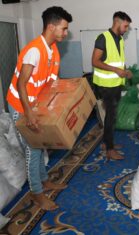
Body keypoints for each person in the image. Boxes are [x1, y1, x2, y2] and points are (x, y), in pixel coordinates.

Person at [6, 6, 72, 211]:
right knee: (33, 149)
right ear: (51, 27)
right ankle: (36, 193)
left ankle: (43, 181)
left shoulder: (53, 50)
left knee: (40, 144)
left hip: (35, 104)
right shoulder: (34, 50)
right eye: (64, 28)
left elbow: (51, 83)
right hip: (20, 105)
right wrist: (28, 113)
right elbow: (21, 84)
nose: (66, 32)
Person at [92, 11, 133, 161]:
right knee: (110, 116)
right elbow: (95, 61)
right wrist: (116, 70)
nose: (126, 29)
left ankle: (107, 143)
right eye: (126, 26)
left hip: (116, 83)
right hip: (105, 85)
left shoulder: (120, 39)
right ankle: (109, 149)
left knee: (112, 116)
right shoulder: (103, 38)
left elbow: (117, 60)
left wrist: (125, 71)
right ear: (117, 22)